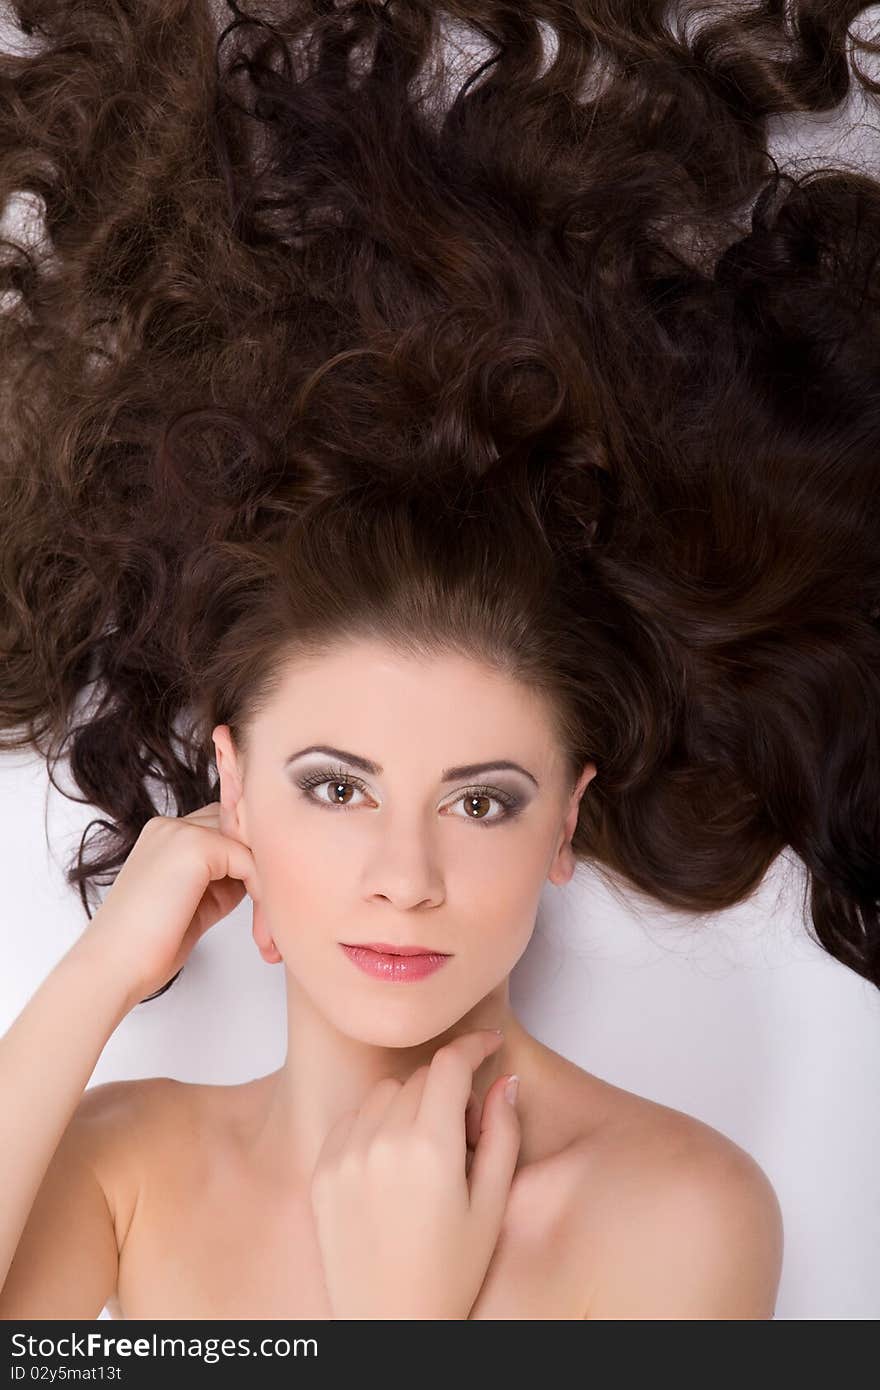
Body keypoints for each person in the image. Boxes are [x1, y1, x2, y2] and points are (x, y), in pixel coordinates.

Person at [0, 0, 878, 1319]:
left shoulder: (681, 1213)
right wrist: (98, 975)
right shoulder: (122, 1162)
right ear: (230, 790)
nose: (405, 879)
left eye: (481, 799)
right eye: (335, 785)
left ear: (565, 820)